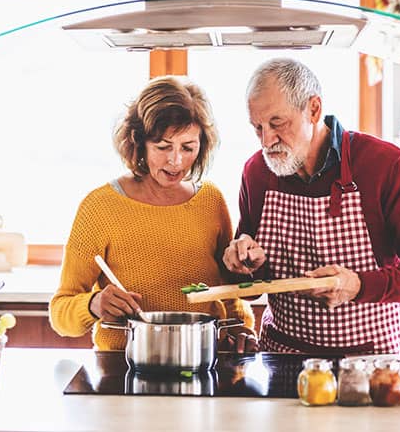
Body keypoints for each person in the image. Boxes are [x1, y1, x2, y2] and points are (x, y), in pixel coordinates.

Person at [223, 58, 400, 355]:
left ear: (313, 109)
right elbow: (250, 279)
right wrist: (245, 263)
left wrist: (358, 285)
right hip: (282, 356)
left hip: (370, 360)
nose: (267, 140)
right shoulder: (257, 172)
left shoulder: (383, 164)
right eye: (257, 127)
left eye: (277, 123)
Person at [50, 76, 257, 352]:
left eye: (188, 147)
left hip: (203, 357)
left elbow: (229, 291)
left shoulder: (210, 200)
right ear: (139, 143)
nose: (176, 161)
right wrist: (93, 304)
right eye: (162, 147)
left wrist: (241, 328)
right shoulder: (99, 207)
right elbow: (60, 313)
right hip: (124, 365)